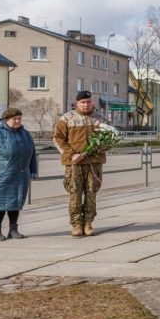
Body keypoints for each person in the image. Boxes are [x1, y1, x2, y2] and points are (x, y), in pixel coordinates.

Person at [0, 107, 38, 240]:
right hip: (1, 176)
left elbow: (32, 154)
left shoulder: (25, 134)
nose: (17, 121)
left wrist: (33, 170)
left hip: (20, 175)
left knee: (15, 202)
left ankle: (13, 230)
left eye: (19, 118)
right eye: (14, 119)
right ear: (6, 120)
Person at [54, 90, 107, 237]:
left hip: (94, 163)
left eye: (88, 102)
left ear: (93, 103)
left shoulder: (100, 119)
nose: (85, 105)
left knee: (91, 192)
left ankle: (88, 223)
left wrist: (101, 147)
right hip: (74, 164)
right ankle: (76, 224)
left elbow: (108, 140)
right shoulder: (67, 118)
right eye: (82, 102)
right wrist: (72, 155)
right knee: (75, 193)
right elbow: (58, 139)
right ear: (77, 103)